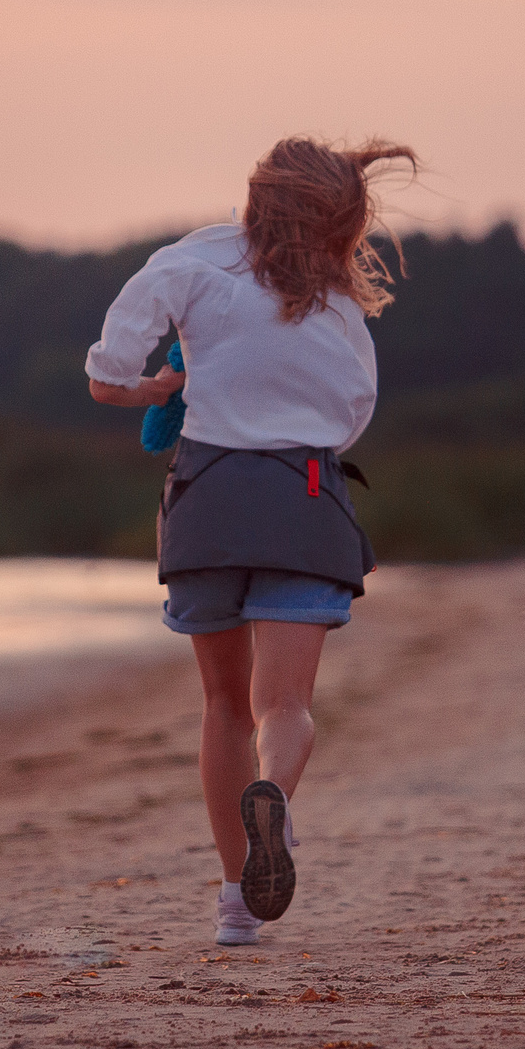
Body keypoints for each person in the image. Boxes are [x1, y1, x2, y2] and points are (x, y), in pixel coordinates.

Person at [85, 137, 416, 949]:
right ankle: (274, 795)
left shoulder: (192, 260)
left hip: (205, 497)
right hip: (300, 494)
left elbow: (104, 375)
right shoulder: (337, 305)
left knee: (224, 705)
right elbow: (349, 417)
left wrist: (161, 386)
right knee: (286, 706)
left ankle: (237, 904)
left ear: (258, 193)